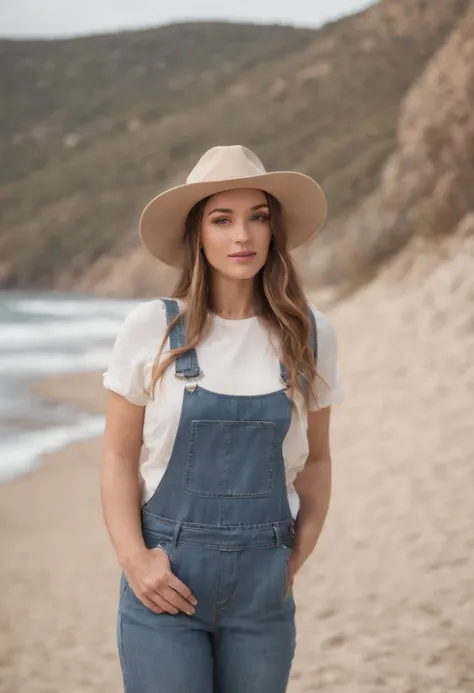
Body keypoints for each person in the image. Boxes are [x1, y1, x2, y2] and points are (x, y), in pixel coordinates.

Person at [101, 144, 344, 693]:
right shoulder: (153, 329)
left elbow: (319, 460)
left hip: (264, 593)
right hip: (165, 590)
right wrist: (135, 560)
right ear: (198, 234)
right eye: (223, 219)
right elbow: (117, 453)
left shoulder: (310, 335)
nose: (243, 236)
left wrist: (293, 558)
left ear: (274, 230)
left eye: (258, 218)